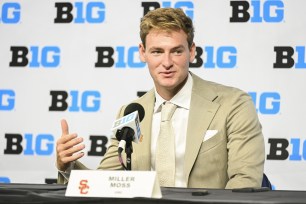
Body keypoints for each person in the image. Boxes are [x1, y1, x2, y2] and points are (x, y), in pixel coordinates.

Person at [56, 8, 265, 189]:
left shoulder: (233, 104)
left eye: (176, 51)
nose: (167, 62)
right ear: (142, 52)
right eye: (157, 51)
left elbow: (245, 182)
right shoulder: (131, 112)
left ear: (191, 52)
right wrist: (67, 166)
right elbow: (107, 182)